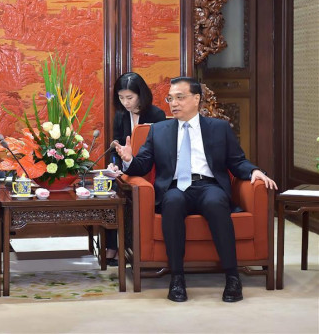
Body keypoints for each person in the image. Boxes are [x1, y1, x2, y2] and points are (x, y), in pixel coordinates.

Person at [114, 76, 278, 302]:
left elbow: (236, 160)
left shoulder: (219, 128)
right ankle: (177, 279)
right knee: (172, 203)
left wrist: (254, 171)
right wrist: (129, 159)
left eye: (180, 98)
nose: (174, 103)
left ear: (196, 99)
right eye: (170, 98)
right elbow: (142, 165)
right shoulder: (159, 130)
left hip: (208, 184)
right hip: (174, 187)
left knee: (216, 202)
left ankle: (232, 277)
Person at [106, 72, 166, 266]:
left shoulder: (156, 115)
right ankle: (112, 246)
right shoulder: (121, 115)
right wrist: (114, 163)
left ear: (141, 95)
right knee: (109, 191)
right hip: (124, 168)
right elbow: (116, 144)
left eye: (129, 98)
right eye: (121, 98)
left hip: (148, 168)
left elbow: (161, 150)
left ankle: (128, 246)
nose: (125, 102)